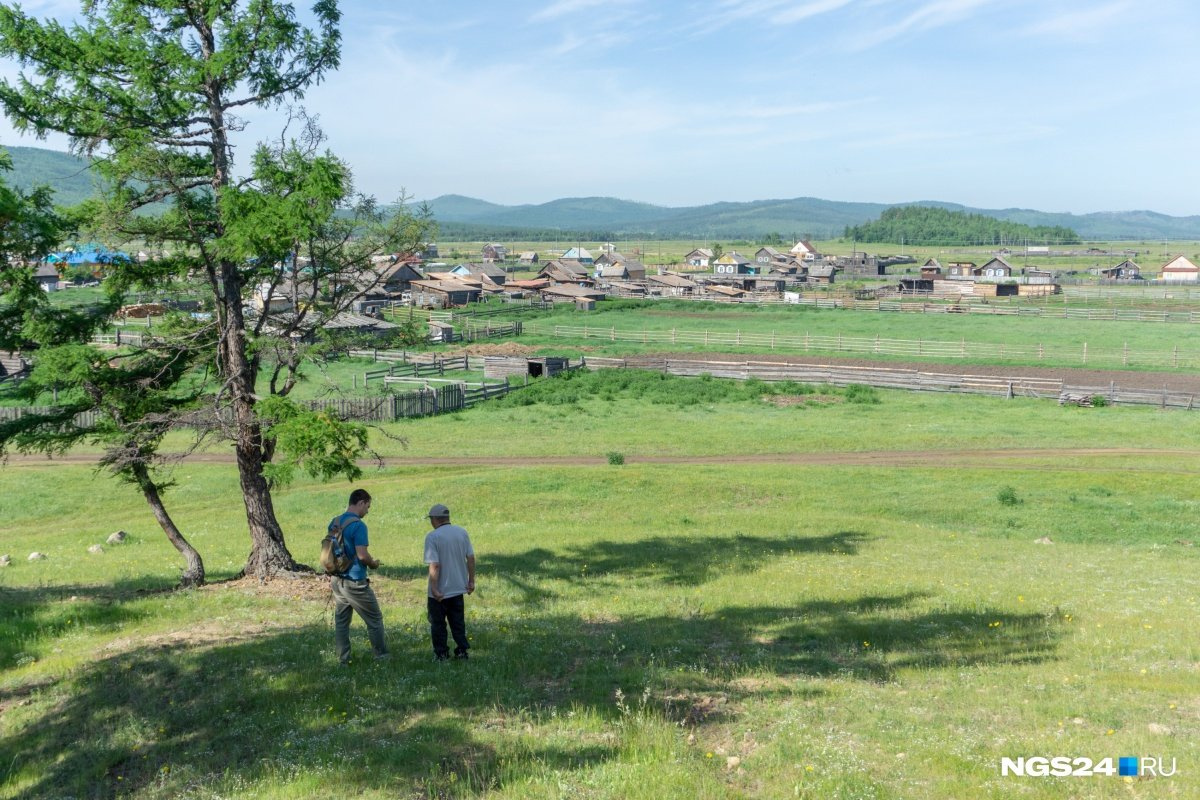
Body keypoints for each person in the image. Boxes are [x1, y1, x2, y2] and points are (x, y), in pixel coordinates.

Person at [330, 488, 388, 664]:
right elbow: (362, 555)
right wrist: (373, 563)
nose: (367, 511)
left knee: (341, 621)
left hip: (337, 579)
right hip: (355, 581)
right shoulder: (358, 526)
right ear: (361, 502)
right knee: (375, 619)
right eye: (367, 506)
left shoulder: (335, 522)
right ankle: (382, 656)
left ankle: (343, 659)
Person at [423, 503, 475, 661]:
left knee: (438, 624)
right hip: (458, 588)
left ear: (435, 519)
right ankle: (462, 651)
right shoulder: (462, 532)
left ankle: (441, 654)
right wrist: (471, 581)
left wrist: (434, 588)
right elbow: (471, 558)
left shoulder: (433, 536)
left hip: (440, 592)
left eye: (431, 519)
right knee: (458, 622)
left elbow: (435, 565)